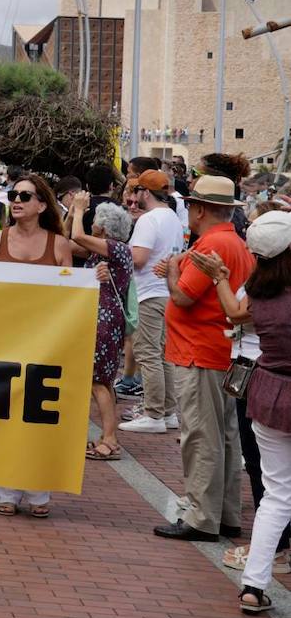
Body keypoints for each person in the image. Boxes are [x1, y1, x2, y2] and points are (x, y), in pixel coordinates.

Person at [179, 212, 291, 613]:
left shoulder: (259, 293)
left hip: (268, 392)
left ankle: (254, 585)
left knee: (275, 495)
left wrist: (221, 277)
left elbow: (232, 312)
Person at [153, 175, 252, 542]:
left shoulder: (212, 244)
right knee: (224, 436)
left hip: (199, 351)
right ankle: (224, 513)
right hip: (222, 350)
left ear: (199, 209)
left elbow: (183, 297)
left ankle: (200, 516)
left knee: (200, 435)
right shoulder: (235, 242)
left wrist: (173, 272)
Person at [0, 174, 69, 517]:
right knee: (2, 417)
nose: (16, 200)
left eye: (25, 196)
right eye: (13, 195)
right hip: (1, 344)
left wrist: (95, 279)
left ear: (42, 205)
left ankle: (38, 490)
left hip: (44, 346)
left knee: (37, 418)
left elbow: (70, 297)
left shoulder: (58, 246)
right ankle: (4, 489)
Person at [67, 195, 135, 462]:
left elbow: (77, 236)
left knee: (97, 382)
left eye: (95, 219)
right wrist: (71, 214)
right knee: (102, 380)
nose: (91, 222)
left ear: (104, 227)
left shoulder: (115, 248)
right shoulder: (105, 250)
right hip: (103, 319)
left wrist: (78, 209)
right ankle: (107, 436)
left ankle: (110, 439)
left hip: (102, 320)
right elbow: (66, 241)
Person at [117, 170, 186, 434]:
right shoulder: (172, 217)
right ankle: (167, 412)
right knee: (162, 354)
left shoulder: (149, 219)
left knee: (147, 353)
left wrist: (116, 251)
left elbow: (139, 259)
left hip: (148, 293)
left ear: (145, 193)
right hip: (166, 292)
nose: (134, 197)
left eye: (137, 191)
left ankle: (154, 413)